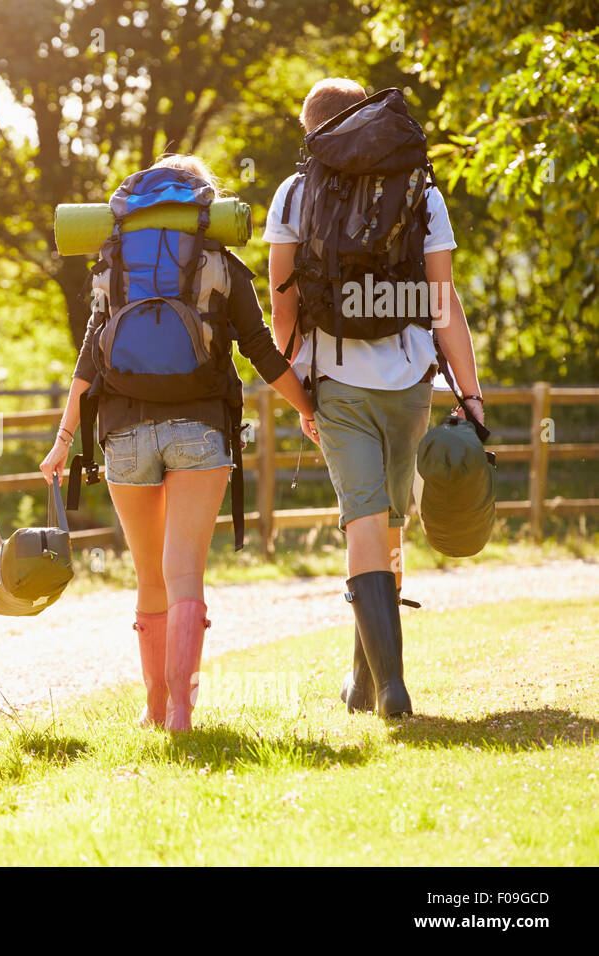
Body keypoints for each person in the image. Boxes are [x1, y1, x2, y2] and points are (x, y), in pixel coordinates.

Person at [41, 154, 316, 732]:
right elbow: (263, 355)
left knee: (150, 576)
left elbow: (89, 359)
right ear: (204, 207)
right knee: (185, 570)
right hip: (201, 428)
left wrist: (64, 438)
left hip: (124, 432)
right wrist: (310, 409)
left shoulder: (113, 261)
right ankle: (183, 715)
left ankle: (153, 708)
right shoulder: (221, 261)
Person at [265, 78, 486, 718]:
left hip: (335, 382)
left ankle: (387, 686)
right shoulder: (421, 189)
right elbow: (443, 304)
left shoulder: (296, 190)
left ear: (312, 129)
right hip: (411, 380)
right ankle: (368, 682)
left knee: (363, 520)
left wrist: (296, 388)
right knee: (391, 523)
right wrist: (470, 396)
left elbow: (283, 306)